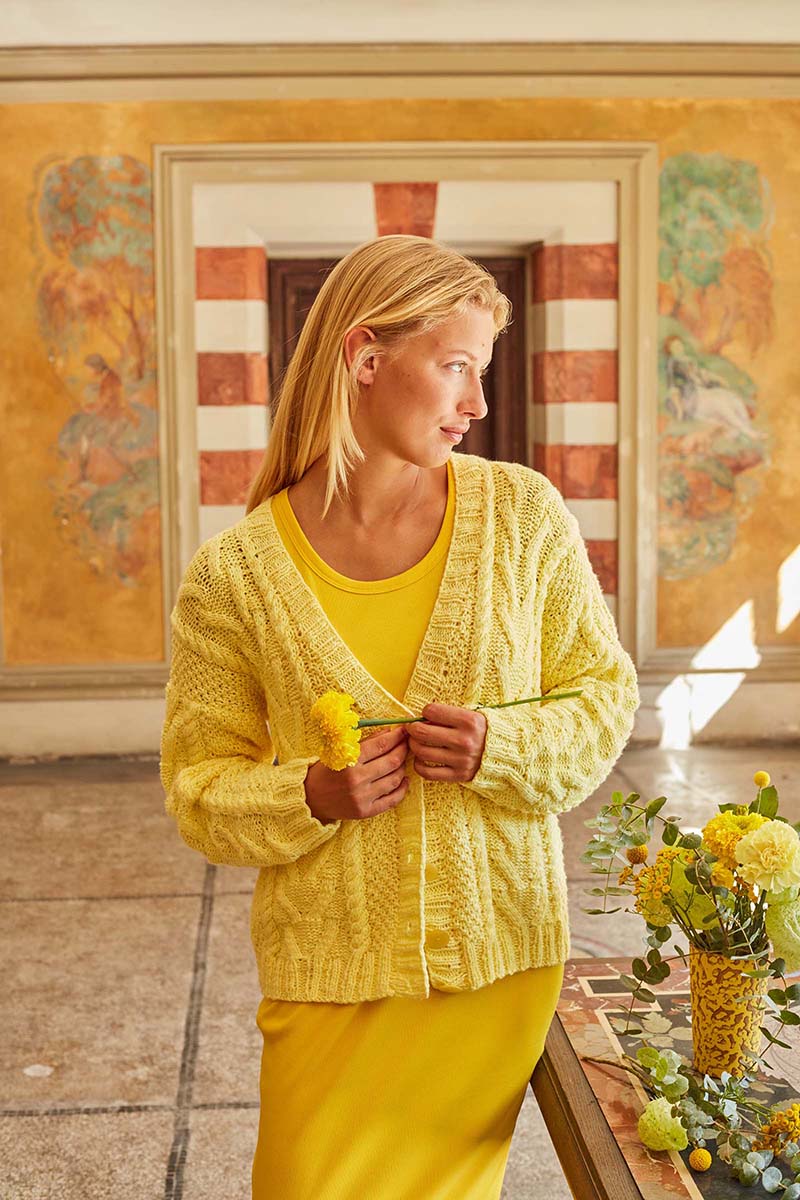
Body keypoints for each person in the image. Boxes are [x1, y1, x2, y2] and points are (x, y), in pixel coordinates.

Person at [159, 234, 640, 1199]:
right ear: (366, 357)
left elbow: (603, 694)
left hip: (494, 960)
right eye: (457, 366)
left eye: (483, 372)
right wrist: (311, 794)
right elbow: (198, 789)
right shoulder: (235, 575)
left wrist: (502, 745)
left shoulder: (523, 517)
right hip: (328, 971)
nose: (478, 403)